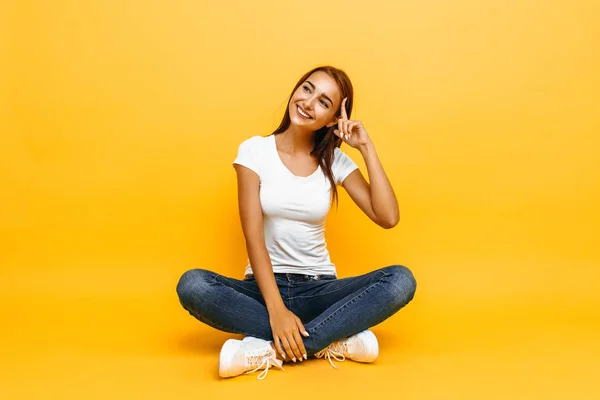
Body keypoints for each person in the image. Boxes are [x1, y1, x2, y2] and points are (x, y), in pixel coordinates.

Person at [176, 65, 417, 380]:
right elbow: (253, 237)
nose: (308, 102)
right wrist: (276, 312)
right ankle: (331, 338)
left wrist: (366, 148)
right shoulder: (254, 151)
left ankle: (267, 350)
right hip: (261, 293)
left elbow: (388, 217)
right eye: (307, 89)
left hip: (320, 291)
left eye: (323, 102)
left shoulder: (335, 162)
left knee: (400, 280)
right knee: (192, 284)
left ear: (332, 120)